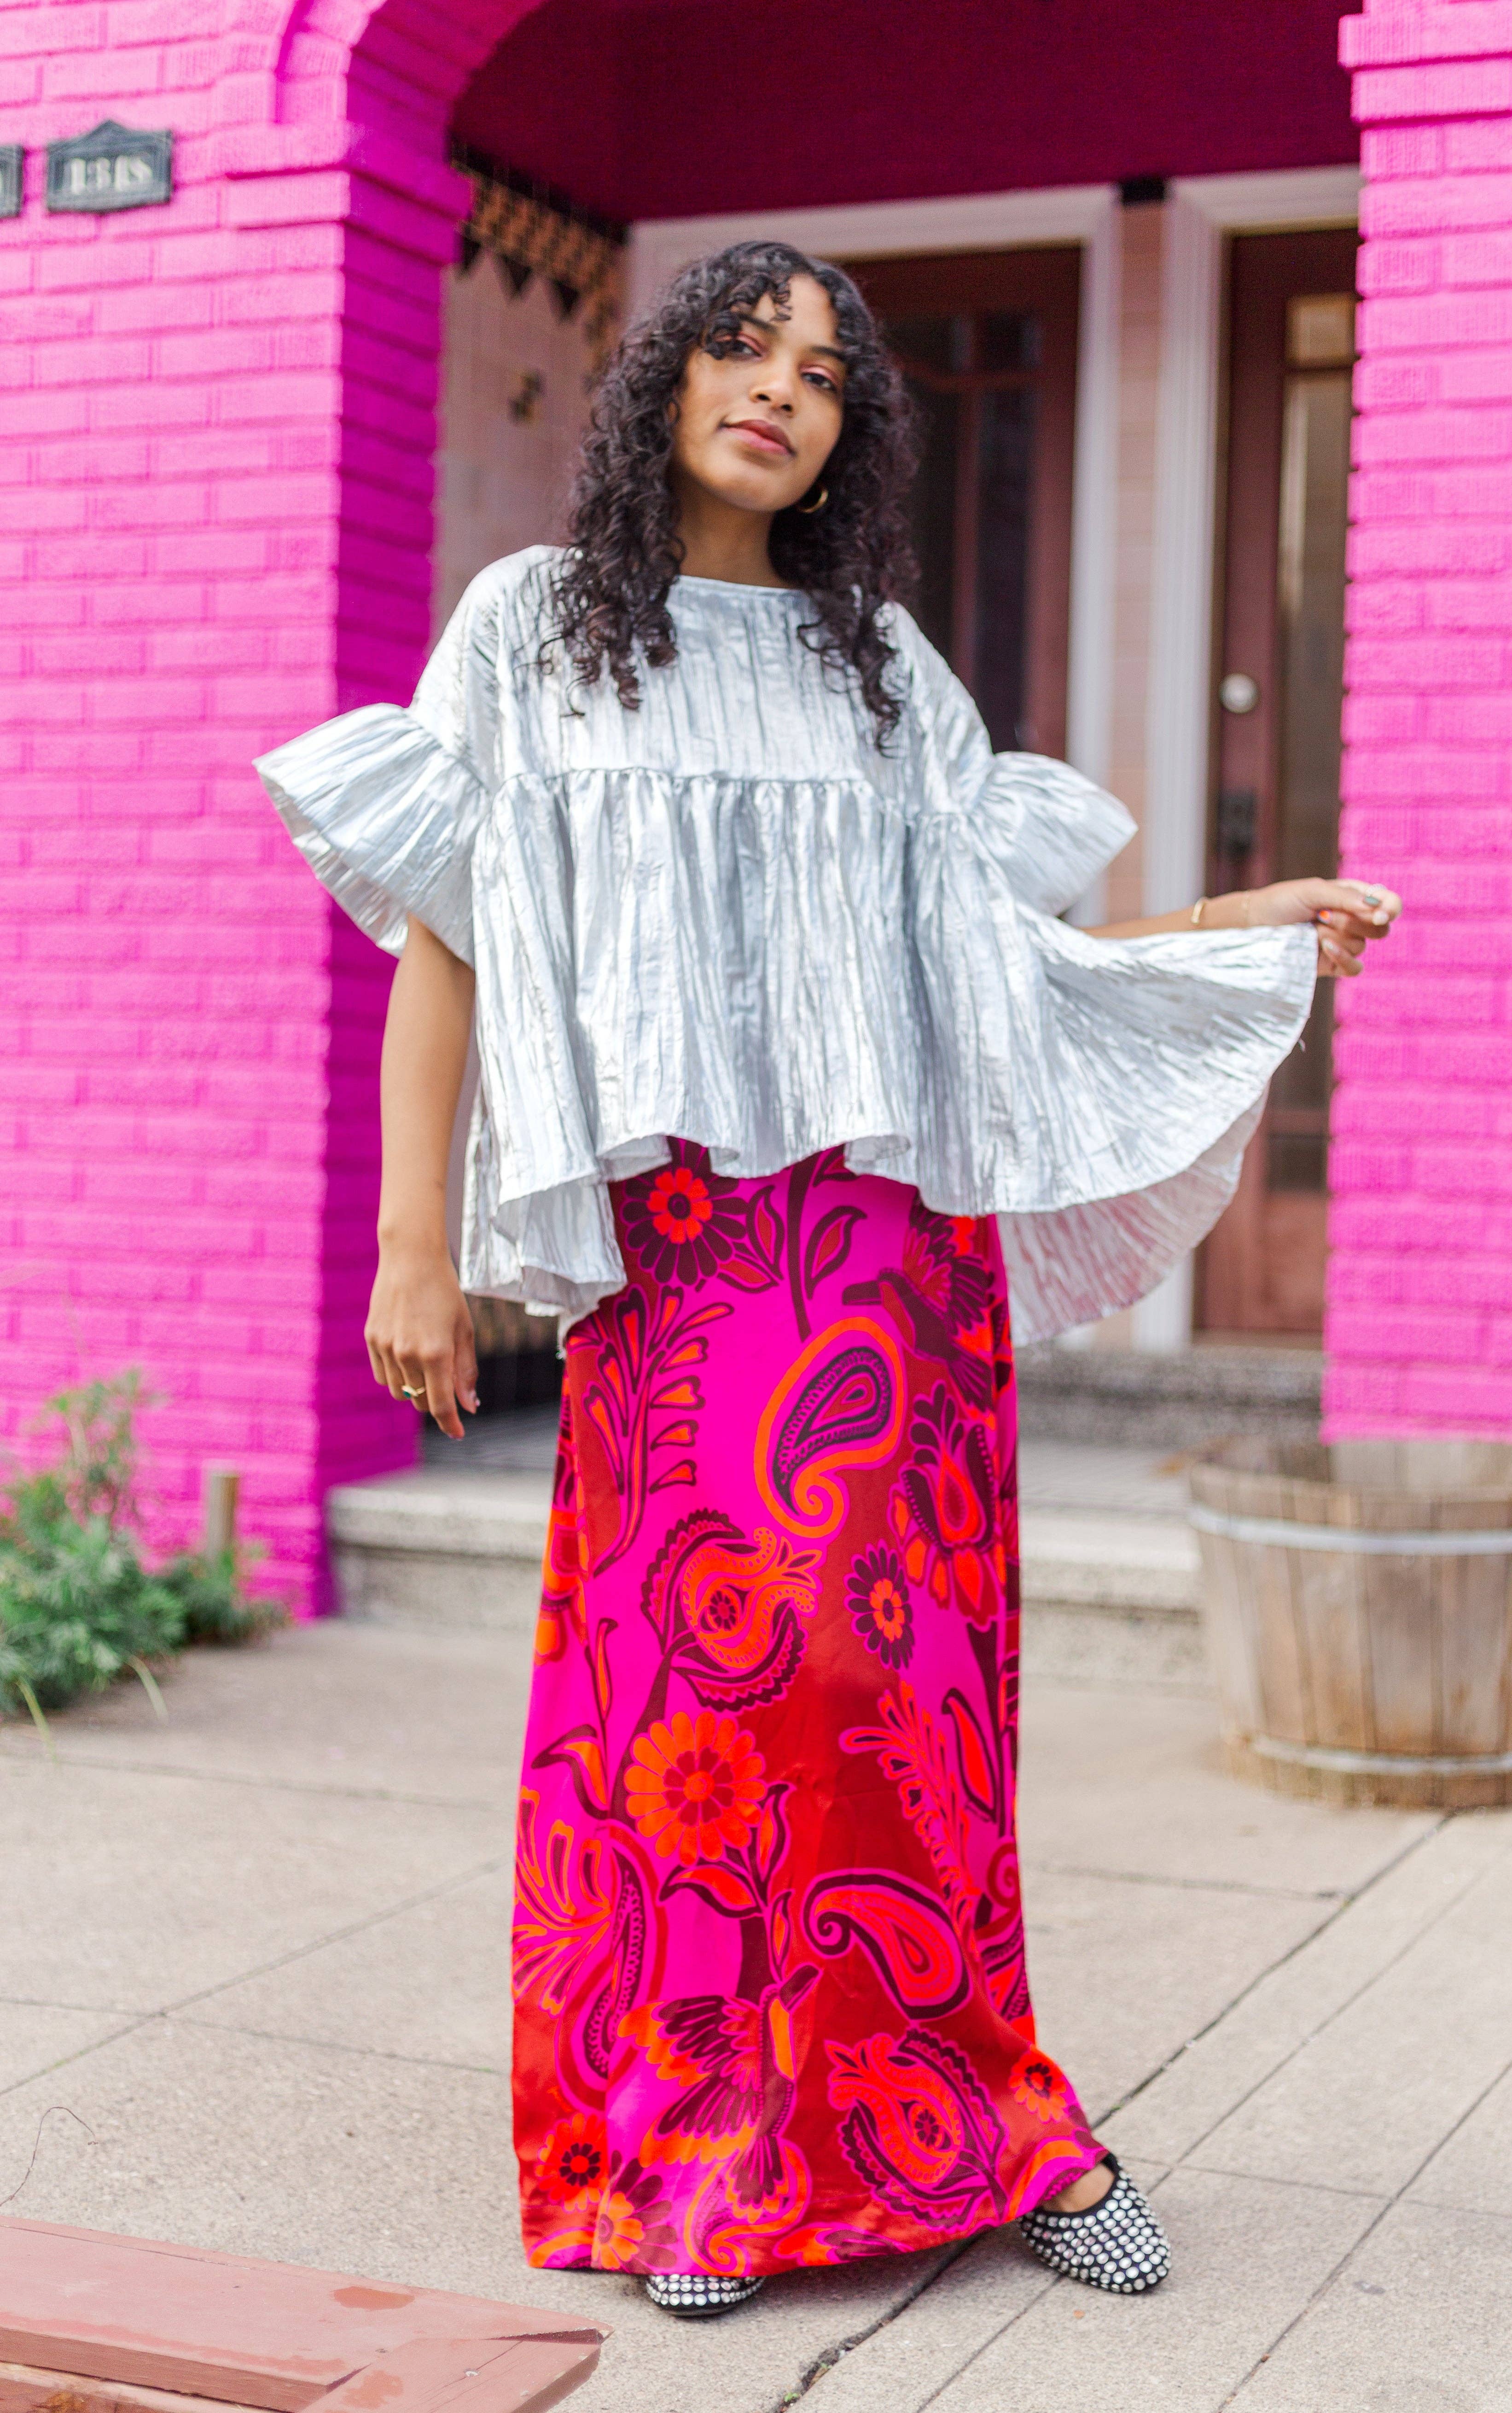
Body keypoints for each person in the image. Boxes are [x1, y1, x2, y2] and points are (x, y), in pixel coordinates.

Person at [257, 241, 1398, 2319]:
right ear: (666, 380)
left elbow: (1006, 959)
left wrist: (1235, 922)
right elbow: (451, 937)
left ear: (849, 434)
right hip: (682, 1265)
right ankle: (698, 2155)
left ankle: (997, 2127)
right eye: (738, 346)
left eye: (820, 372)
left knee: (904, 1696)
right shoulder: (531, 629)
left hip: (891, 1252)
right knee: (699, 1695)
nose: (777, 389)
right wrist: (416, 1239)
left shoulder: (881, 671)